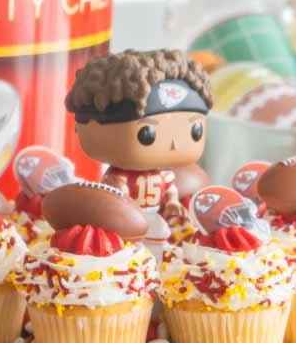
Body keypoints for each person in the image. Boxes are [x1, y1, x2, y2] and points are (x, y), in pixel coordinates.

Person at [65, 49, 213, 240]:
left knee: (159, 237)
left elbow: (170, 190)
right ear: (90, 127)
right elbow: (116, 197)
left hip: (155, 216)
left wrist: (172, 203)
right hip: (124, 222)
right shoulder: (117, 177)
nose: (174, 144)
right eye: (147, 134)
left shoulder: (166, 175)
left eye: (195, 131)